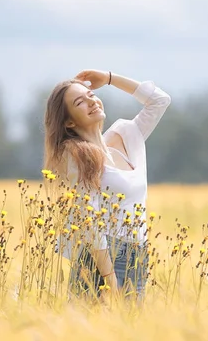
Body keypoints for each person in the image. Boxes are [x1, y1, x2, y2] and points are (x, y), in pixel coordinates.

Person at [43, 69, 171, 303]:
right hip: (102, 261)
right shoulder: (77, 157)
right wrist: (110, 279)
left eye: (91, 94)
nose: (91, 101)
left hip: (138, 254)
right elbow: (89, 222)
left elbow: (159, 100)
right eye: (80, 102)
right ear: (69, 121)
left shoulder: (126, 134)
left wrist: (110, 78)